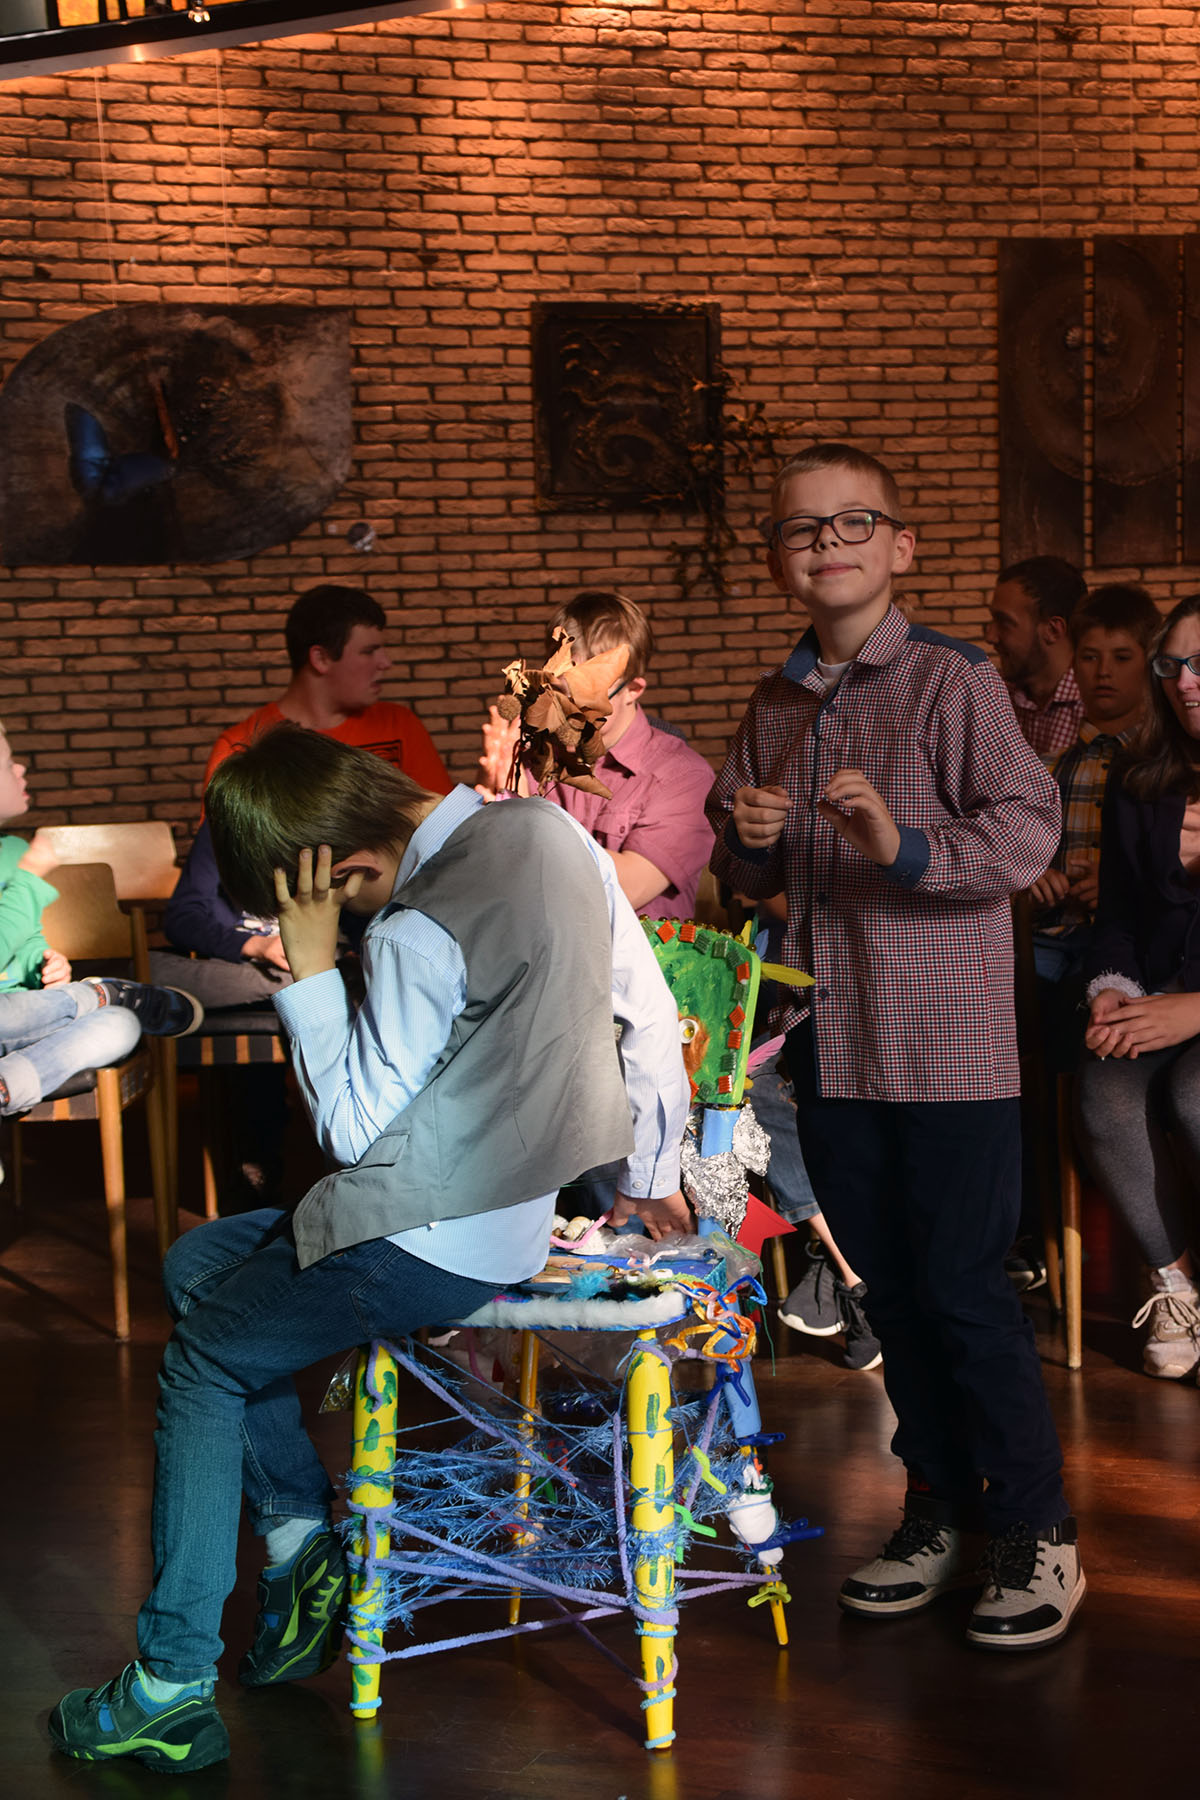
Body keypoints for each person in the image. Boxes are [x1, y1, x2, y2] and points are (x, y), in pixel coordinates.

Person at [49, 725, 690, 1774]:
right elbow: (648, 1009)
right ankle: (301, 1543)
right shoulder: (550, 831)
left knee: (203, 1364)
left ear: (342, 868)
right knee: (202, 1267)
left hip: (415, 1238)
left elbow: (354, 1133)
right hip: (509, 1222)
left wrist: (311, 970)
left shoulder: (408, 932)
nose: (334, 921)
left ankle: (169, 1686)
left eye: (314, 906)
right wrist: (653, 1175)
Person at [707, 442, 1083, 1650]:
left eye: (854, 522)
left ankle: (1036, 1531)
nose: (828, 543)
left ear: (901, 546)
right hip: (834, 1044)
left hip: (952, 1045)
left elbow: (1027, 830)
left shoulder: (949, 681)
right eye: (803, 528)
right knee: (896, 1297)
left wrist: (902, 846)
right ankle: (940, 1511)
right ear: (778, 557)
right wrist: (748, 838)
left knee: (966, 1291)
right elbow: (742, 874)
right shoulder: (773, 706)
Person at [151, 582, 452, 1009]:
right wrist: (259, 945)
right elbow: (223, 875)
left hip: (372, 932)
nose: (386, 663)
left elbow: (435, 840)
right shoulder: (242, 751)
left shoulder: (400, 725)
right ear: (320, 658)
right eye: (369, 651)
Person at [1076, 592, 1200, 1380]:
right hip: (1157, 995)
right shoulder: (1138, 777)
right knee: (1103, 1089)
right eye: (1174, 664)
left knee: (1195, 1097)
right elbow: (1118, 912)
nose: (1185, 681)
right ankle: (1177, 1286)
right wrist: (1112, 987)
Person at [0, 726, 201, 1126]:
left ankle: (10, 1081)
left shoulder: (14, 852)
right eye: (7, 764)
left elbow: (24, 942)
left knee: (121, 1024)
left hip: (27, 1019)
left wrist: (43, 965)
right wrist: (29, 879)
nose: (21, 768)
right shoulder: (25, 867)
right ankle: (96, 995)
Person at [479, 590, 714, 919]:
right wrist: (492, 806)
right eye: (559, 690)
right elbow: (490, 877)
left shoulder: (685, 777)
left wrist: (523, 817)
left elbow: (623, 889)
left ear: (632, 690)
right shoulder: (531, 758)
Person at [987, 555, 1087, 763]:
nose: (991, 636)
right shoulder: (997, 697)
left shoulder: (1097, 705)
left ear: (1052, 630)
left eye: (1004, 622)